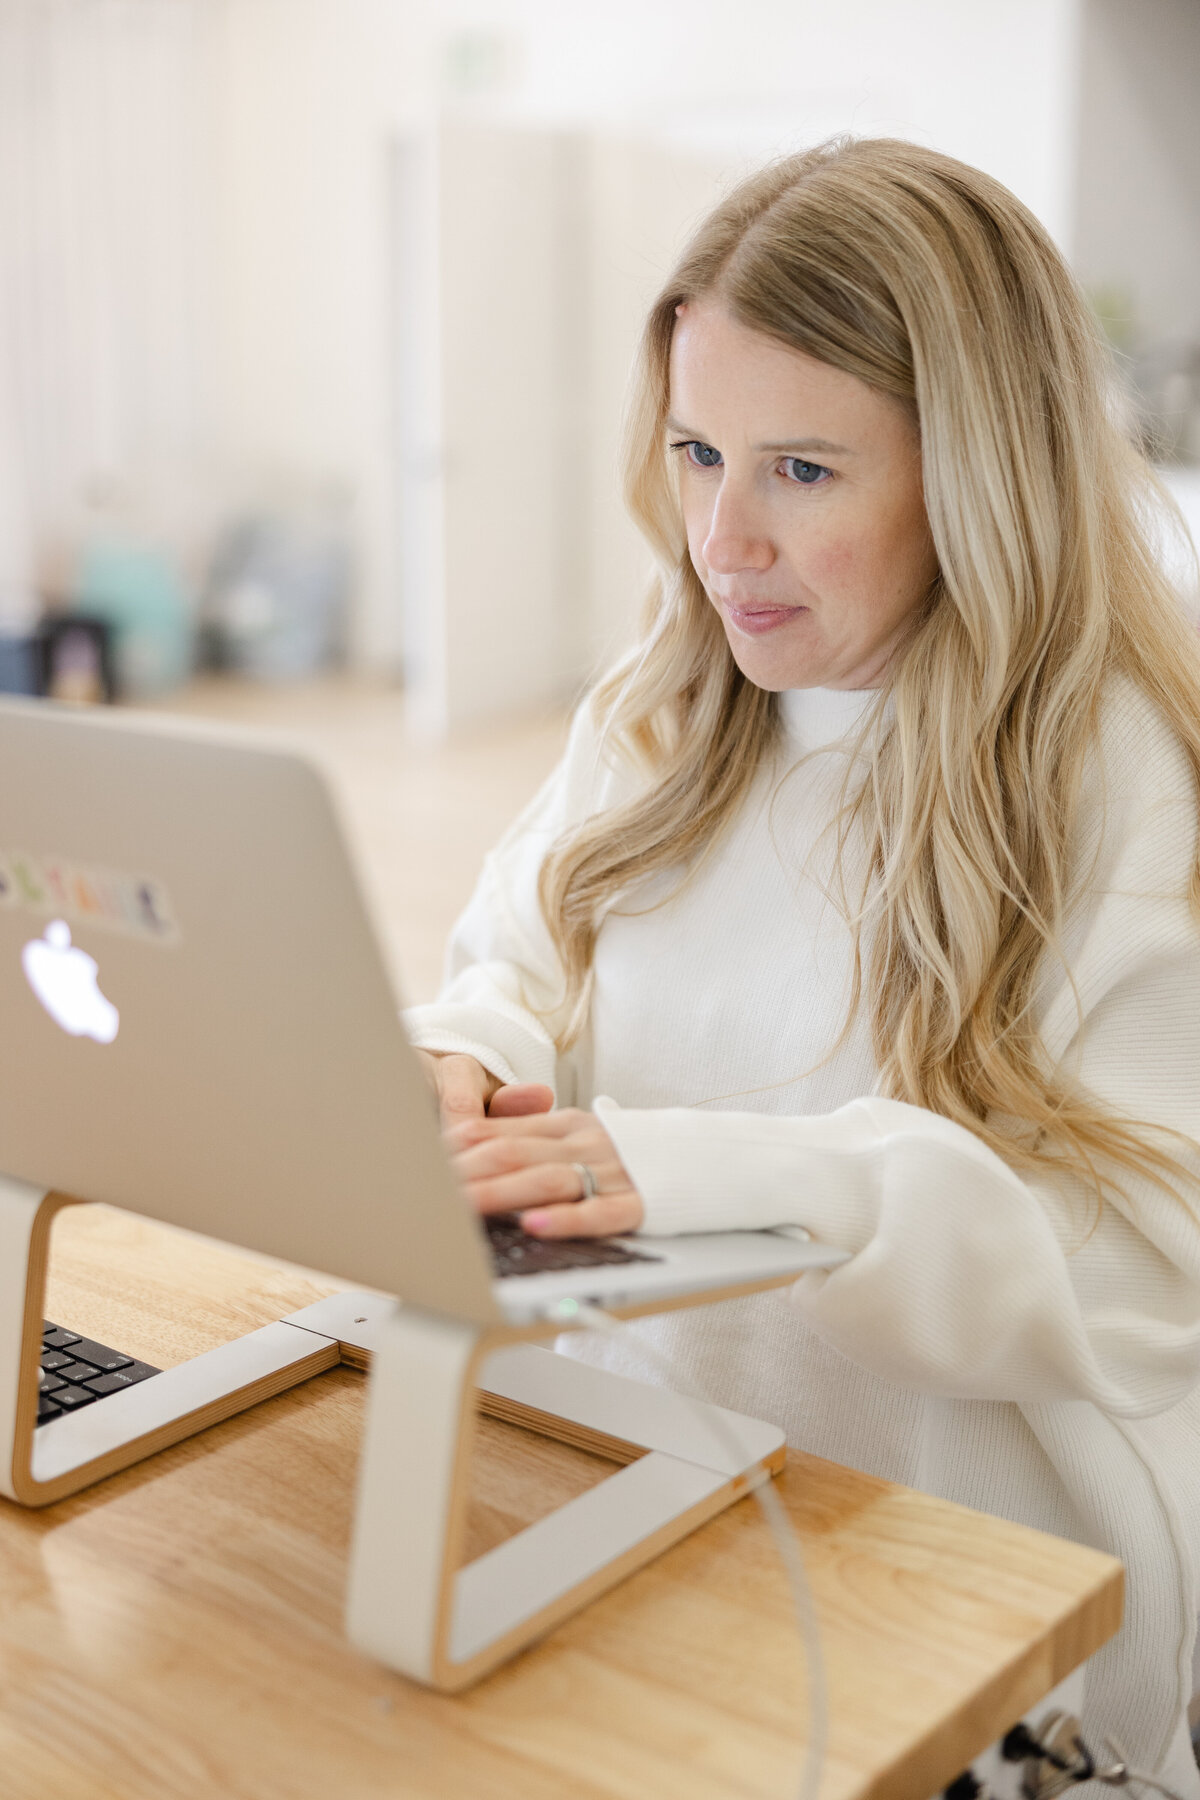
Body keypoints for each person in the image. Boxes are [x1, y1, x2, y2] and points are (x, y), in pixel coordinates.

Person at [408, 138, 1200, 1787]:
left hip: (959, 1608)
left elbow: (1131, 1287)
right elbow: (521, 951)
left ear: (978, 473)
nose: (720, 538)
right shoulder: (681, 685)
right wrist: (467, 1052)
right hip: (649, 1497)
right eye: (699, 452)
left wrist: (743, 1175)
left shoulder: (1117, 773)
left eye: (804, 473)